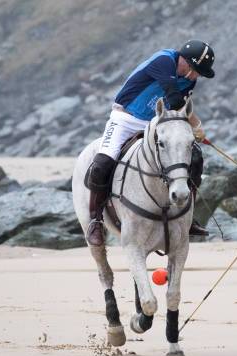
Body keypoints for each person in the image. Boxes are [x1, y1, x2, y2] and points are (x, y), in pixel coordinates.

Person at [85, 40, 215, 246]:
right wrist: (197, 125)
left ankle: (186, 215)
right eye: (197, 71)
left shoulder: (189, 80)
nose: (197, 76)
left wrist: (190, 133)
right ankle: (96, 220)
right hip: (124, 119)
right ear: (187, 63)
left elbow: (177, 109)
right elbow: (173, 96)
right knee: (102, 163)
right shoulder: (163, 61)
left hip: (153, 123)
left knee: (194, 157)